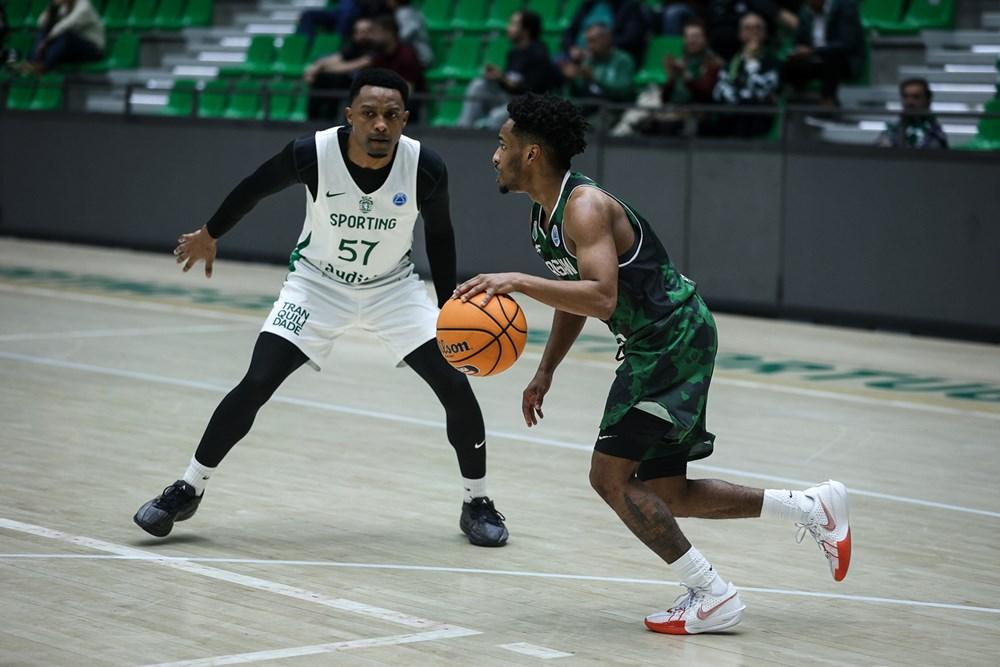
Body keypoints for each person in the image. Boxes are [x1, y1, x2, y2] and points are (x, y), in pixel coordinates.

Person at [453, 93, 851, 634]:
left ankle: (712, 593)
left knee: (609, 477)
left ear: (532, 153)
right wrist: (546, 371)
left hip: (670, 341)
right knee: (666, 492)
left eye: (502, 145)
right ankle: (809, 507)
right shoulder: (543, 218)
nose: (494, 155)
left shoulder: (584, 206)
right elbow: (577, 295)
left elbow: (602, 297)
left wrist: (518, 281)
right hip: (658, 344)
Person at [134, 69, 509, 549]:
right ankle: (187, 488)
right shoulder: (311, 153)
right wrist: (211, 233)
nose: (380, 125)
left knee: (455, 384)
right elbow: (254, 186)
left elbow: (440, 234)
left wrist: (447, 308)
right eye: (369, 114)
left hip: (392, 288)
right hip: (316, 285)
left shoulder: (425, 167)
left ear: (405, 120)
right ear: (349, 115)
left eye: (391, 116)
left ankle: (476, 502)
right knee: (257, 382)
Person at [611, 18, 722, 137]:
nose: (691, 41)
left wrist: (685, 75)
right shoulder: (682, 60)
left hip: (698, 113)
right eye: (688, 37)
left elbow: (705, 95)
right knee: (646, 101)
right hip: (674, 109)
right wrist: (671, 77)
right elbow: (665, 98)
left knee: (659, 122)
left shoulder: (713, 63)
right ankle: (619, 134)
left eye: (696, 36)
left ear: (705, 39)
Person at [457, 10, 560, 130]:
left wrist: (503, 79)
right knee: (478, 85)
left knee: (496, 117)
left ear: (526, 30)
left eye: (513, 24)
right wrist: (498, 78)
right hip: (508, 99)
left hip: (527, 106)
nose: (508, 28)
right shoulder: (513, 53)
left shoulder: (539, 54)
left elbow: (534, 91)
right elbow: (508, 83)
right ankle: (463, 128)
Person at [710, 12, 781, 137]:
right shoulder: (732, 62)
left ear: (765, 34)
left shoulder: (772, 62)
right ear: (740, 34)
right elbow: (720, 91)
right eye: (747, 28)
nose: (753, 32)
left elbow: (764, 91)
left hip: (759, 116)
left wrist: (751, 62)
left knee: (748, 104)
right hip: (732, 116)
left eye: (758, 28)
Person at [782, 0, 864, 106]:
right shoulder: (806, 12)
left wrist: (813, 51)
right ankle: (790, 102)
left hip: (843, 62)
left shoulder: (845, 6)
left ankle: (828, 101)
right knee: (788, 62)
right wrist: (798, 51)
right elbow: (799, 41)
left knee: (832, 56)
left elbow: (846, 44)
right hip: (813, 61)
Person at [560, 22, 636, 116]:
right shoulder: (587, 60)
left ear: (607, 39)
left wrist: (595, 78)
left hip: (615, 109)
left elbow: (624, 91)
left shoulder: (623, 60)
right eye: (587, 41)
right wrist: (572, 78)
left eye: (593, 41)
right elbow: (578, 92)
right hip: (589, 108)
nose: (589, 46)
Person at [560, 0, 650, 66]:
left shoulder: (629, 6)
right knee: (556, 64)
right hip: (577, 56)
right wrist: (571, 48)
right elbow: (569, 32)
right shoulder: (587, 5)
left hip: (607, 58)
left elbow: (631, 38)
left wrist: (602, 47)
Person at [28, 0, 104, 74]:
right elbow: (41, 23)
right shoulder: (63, 7)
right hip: (71, 48)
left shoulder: (84, 6)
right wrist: (52, 8)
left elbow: (65, 26)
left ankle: (44, 66)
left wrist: (46, 42)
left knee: (64, 36)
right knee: (46, 31)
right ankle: (32, 62)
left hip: (93, 48)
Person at [876, 78, 948, 149]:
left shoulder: (934, 133)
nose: (909, 102)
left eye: (916, 97)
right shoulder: (893, 130)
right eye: (905, 97)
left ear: (927, 100)